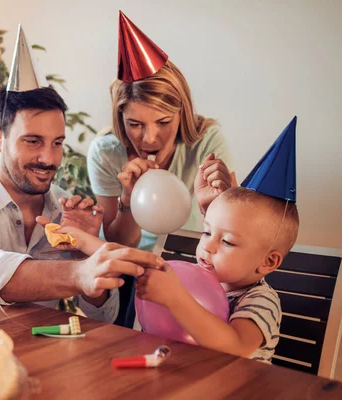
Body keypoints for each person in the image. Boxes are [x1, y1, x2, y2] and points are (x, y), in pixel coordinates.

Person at [52, 118, 300, 361]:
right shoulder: (189, 275)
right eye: (207, 232)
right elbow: (130, 259)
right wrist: (80, 240)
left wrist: (175, 297)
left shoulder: (259, 300)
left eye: (228, 242)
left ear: (268, 262)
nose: (208, 247)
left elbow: (235, 347)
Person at [0, 85, 164, 323]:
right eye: (32, 141)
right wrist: (78, 273)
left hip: (44, 352)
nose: (49, 159)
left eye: (57, 143)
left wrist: (81, 255)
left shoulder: (64, 208)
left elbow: (104, 317)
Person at [87, 12, 235, 326]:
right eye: (134, 125)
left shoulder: (207, 142)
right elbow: (119, 244)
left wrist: (220, 203)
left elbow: (231, 234)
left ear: (182, 113)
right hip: (132, 269)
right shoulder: (105, 151)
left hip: (194, 268)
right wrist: (128, 197)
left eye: (163, 122)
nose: (149, 138)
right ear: (120, 119)